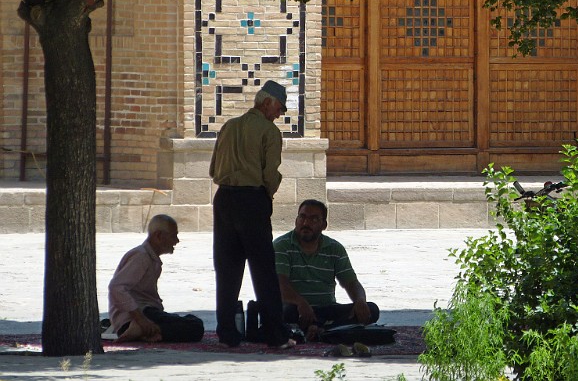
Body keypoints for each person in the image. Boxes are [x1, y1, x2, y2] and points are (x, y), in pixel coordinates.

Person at [209, 80, 294, 348]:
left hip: (223, 199)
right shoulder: (269, 131)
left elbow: (213, 170)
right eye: (279, 108)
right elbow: (270, 174)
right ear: (267, 102)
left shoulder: (228, 126)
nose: (279, 114)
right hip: (252, 199)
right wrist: (265, 195)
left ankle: (227, 333)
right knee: (263, 270)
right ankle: (275, 335)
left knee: (227, 269)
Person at [272, 199, 380, 340]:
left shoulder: (335, 248)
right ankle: (329, 330)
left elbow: (351, 282)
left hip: (327, 309)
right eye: (302, 217)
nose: (306, 223)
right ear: (296, 220)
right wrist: (300, 302)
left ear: (324, 225)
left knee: (371, 310)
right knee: (285, 312)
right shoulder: (281, 246)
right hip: (296, 309)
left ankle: (319, 329)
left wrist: (360, 300)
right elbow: (280, 285)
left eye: (314, 219)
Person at [107, 214, 204, 343]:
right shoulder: (141, 256)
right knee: (195, 326)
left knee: (192, 322)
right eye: (173, 235)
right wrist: (140, 319)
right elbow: (116, 287)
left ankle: (147, 332)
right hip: (136, 317)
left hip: (145, 315)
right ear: (158, 236)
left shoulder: (149, 257)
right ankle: (141, 329)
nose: (177, 241)